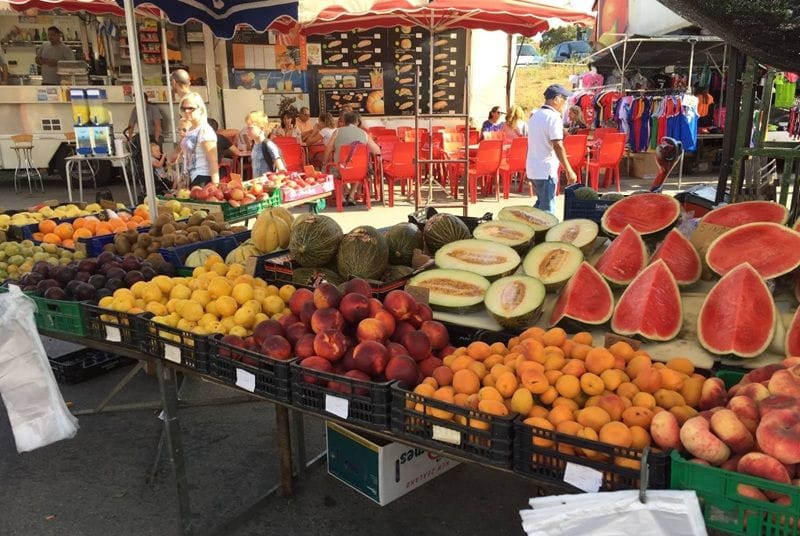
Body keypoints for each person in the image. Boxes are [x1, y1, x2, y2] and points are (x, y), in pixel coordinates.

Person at [527, 84, 577, 215]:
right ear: (556, 100)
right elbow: (558, 145)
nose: (565, 104)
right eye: (564, 100)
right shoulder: (554, 117)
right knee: (548, 211)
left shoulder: (535, 116)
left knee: (540, 205)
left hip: (533, 169)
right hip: (546, 170)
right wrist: (569, 170)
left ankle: (525, 226)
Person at [324, 110, 381, 206]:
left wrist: (324, 162)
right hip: (359, 171)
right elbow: (377, 151)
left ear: (344, 121)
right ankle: (351, 195)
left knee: (333, 169)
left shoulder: (337, 132)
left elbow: (328, 148)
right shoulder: (364, 133)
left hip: (341, 170)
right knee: (361, 168)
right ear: (357, 122)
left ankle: (341, 197)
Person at [179, 92, 219, 187]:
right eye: (183, 108)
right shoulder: (191, 129)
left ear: (200, 110)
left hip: (203, 178)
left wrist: (215, 185)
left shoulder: (204, 130)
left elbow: (213, 160)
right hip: (192, 177)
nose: (186, 111)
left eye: (191, 108)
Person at [245, 111, 286, 177]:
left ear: (261, 128)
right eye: (247, 128)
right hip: (258, 184)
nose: (247, 131)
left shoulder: (268, 145)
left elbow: (281, 168)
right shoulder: (254, 145)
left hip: (268, 184)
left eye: (250, 128)